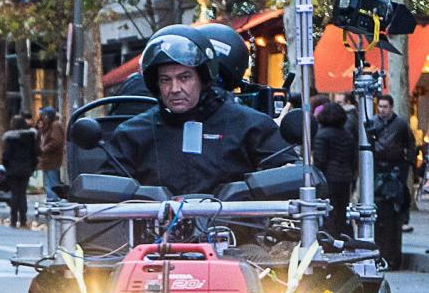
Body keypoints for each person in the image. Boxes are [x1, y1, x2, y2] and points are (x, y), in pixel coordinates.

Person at [104, 29, 291, 197]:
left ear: (203, 78)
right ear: (156, 84)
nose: (174, 88)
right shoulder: (132, 133)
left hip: (238, 232)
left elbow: (291, 175)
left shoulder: (251, 125)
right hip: (153, 233)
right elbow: (100, 191)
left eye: (184, 78)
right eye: (165, 80)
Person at [370, 93, 413, 270]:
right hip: (379, 168)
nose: (382, 110)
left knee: (391, 215)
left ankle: (391, 257)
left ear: (391, 107)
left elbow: (410, 144)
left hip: (395, 168)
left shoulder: (401, 124)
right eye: (380, 107)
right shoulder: (373, 122)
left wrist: (406, 165)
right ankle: (383, 255)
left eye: (385, 107)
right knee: (381, 215)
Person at [313, 101, 356, 239]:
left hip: (328, 178)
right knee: (341, 210)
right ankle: (340, 237)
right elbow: (353, 158)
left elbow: (320, 160)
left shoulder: (322, 135)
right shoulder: (348, 135)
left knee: (328, 212)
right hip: (345, 177)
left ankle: (329, 239)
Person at [1, 115, 38, 228]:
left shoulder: (10, 138)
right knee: (22, 194)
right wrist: (32, 167)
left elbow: (6, 155)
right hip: (26, 168)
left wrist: (6, 166)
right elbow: (35, 154)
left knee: (15, 194)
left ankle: (13, 219)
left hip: (12, 169)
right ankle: (23, 219)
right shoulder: (31, 137)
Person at [36, 106, 65, 194]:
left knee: (52, 181)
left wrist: (43, 149)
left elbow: (56, 141)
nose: (43, 117)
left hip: (52, 158)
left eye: (44, 115)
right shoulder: (48, 126)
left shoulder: (55, 125)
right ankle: (51, 198)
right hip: (47, 159)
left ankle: (54, 198)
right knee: (48, 181)